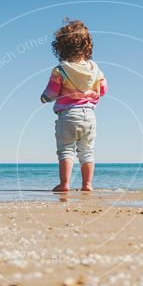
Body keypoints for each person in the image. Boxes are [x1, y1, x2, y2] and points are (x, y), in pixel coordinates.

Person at [40, 19, 108, 192]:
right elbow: (104, 89)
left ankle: (65, 184)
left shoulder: (60, 70)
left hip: (68, 115)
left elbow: (53, 92)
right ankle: (87, 185)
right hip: (89, 116)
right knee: (87, 152)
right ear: (87, 46)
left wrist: (44, 98)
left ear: (61, 48)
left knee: (66, 151)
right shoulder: (95, 69)